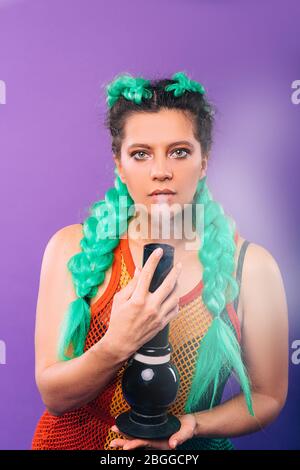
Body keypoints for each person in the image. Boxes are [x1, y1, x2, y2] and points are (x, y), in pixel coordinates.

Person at [31, 71, 288, 450]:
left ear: (204, 162)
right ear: (119, 165)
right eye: (140, 154)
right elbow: (54, 395)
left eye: (179, 151)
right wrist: (117, 344)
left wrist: (191, 426)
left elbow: (268, 397)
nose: (161, 170)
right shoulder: (71, 248)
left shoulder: (253, 267)